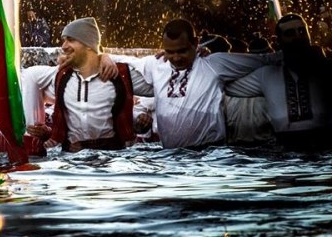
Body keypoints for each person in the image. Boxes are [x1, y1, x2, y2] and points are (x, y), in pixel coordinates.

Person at [107, 19, 280, 149]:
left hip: (212, 155)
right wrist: (103, 58)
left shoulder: (212, 63)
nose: (175, 57)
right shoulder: (156, 64)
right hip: (170, 157)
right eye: (170, 51)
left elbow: (265, 60)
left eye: (182, 51)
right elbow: (117, 59)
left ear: (195, 44)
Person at [26, 17, 152, 152]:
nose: (63, 46)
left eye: (71, 40)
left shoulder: (120, 74)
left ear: (88, 45)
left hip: (113, 161)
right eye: (64, 40)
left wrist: (106, 56)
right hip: (70, 160)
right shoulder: (61, 76)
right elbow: (30, 75)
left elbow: (161, 82)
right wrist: (47, 134)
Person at [225, 14, 332, 149]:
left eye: (302, 31)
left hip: (325, 149)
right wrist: (202, 58)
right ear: (278, 41)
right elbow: (226, 84)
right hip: (286, 151)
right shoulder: (267, 74)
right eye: (290, 33)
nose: (298, 37)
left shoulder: (325, 69)